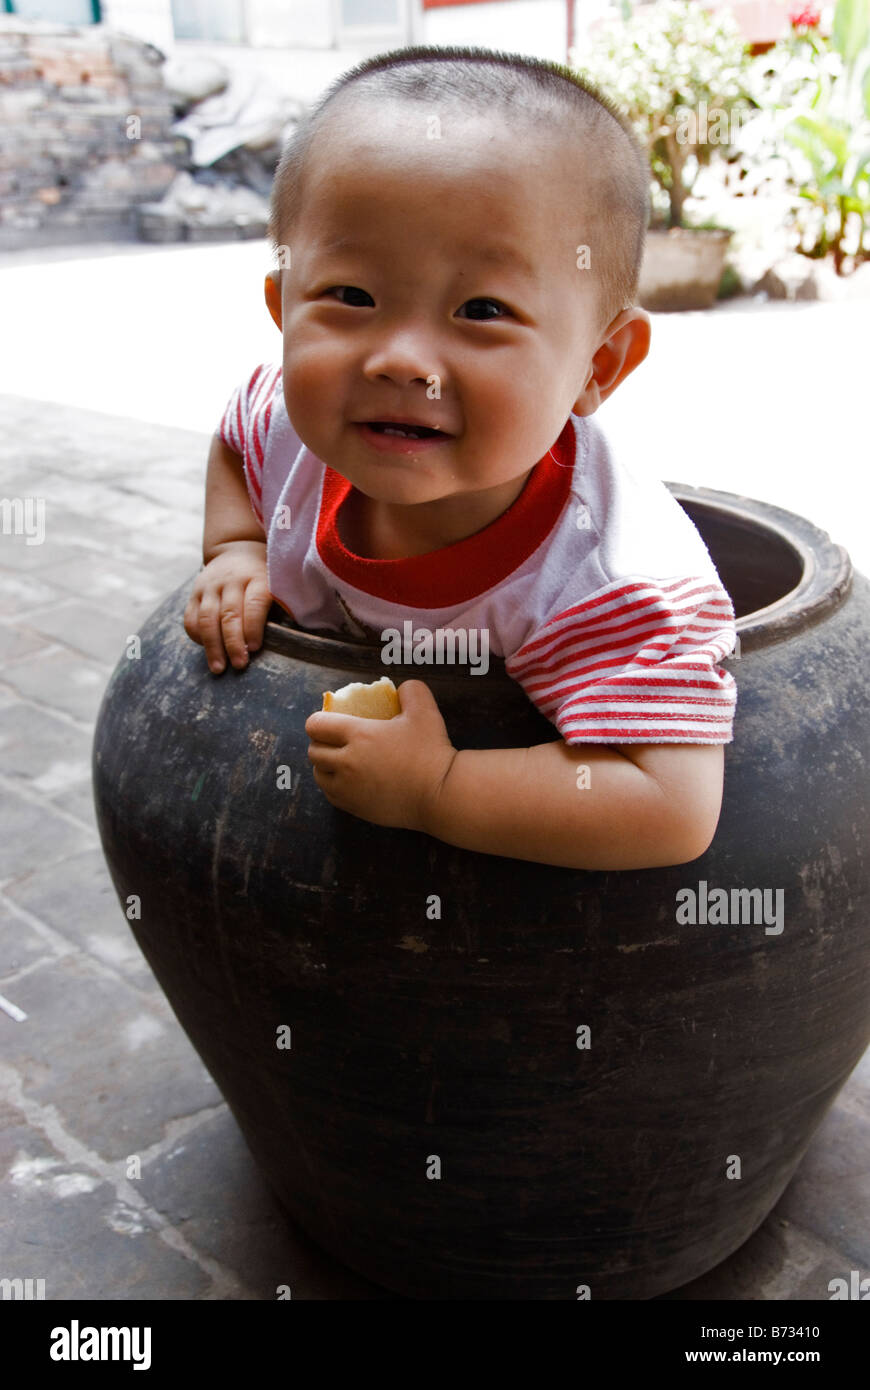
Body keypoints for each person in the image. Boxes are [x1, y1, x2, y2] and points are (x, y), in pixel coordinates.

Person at [184, 45, 737, 871]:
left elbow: (671, 806)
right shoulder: (294, 420)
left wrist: (438, 787)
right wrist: (236, 546)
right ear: (283, 307)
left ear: (600, 365)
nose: (402, 360)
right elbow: (238, 434)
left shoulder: (611, 579)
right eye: (351, 297)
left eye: (481, 309)